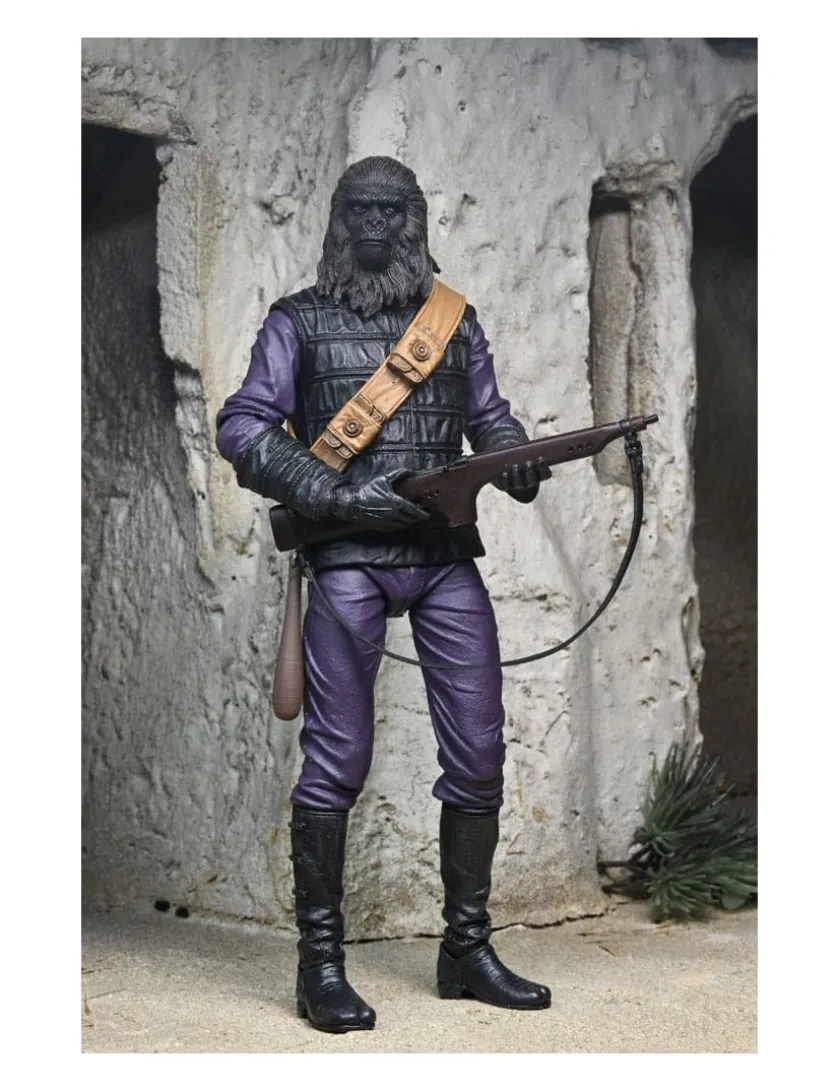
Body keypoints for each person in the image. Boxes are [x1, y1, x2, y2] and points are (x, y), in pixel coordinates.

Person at [216, 156, 552, 1034]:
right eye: (360, 210)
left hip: (442, 557)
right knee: (338, 759)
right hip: (347, 559)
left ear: (415, 220)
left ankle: (465, 950)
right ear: (339, 219)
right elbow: (242, 423)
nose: (375, 225)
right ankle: (319, 966)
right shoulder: (297, 320)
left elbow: (490, 418)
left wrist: (515, 459)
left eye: (391, 211)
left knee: (479, 754)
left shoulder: (455, 322)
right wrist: (332, 495)